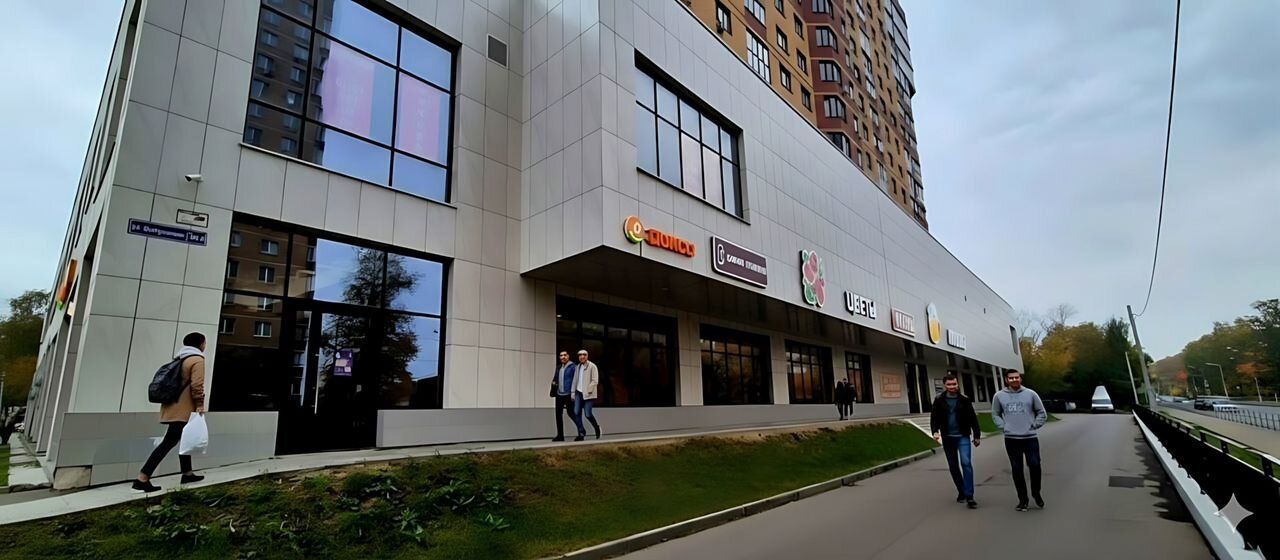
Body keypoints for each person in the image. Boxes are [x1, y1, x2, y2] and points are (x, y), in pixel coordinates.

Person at [133, 332, 207, 492]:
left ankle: (187, 473)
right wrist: (200, 405)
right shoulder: (197, 360)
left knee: (184, 439)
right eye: (204, 342)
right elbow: (197, 385)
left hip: (172, 406)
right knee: (169, 441)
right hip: (183, 408)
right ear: (201, 344)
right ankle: (142, 478)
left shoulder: (181, 359)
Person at [991, 369, 1048, 512]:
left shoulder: (1030, 394)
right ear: (1006, 380)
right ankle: (1023, 500)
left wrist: (1035, 424)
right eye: (1011, 378)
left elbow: (1042, 412)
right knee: (1017, 469)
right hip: (1012, 439)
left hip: (1030, 437)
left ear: (1020, 379)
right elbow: (995, 413)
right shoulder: (999, 396)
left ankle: (1036, 492)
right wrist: (1004, 426)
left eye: (1017, 377)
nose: (1014, 380)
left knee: (1035, 465)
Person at [930, 373, 981, 509]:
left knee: (966, 463)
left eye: (954, 384)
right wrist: (935, 431)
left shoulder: (964, 399)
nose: (952, 387)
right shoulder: (939, 400)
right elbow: (934, 417)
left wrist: (976, 435)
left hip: (962, 435)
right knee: (953, 465)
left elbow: (972, 418)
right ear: (945, 385)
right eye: (949, 384)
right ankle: (961, 491)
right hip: (948, 437)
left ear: (957, 384)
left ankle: (970, 496)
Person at [550, 351, 583, 441]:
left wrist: (575, 393)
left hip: (570, 394)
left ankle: (581, 432)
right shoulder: (558, 367)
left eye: (565, 355)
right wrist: (553, 389)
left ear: (568, 356)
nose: (563, 357)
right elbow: (555, 379)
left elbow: (577, 380)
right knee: (558, 415)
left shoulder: (573, 367)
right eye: (561, 355)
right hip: (559, 394)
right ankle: (560, 436)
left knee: (572, 413)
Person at [573, 349, 601, 441]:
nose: (582, 356)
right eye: (580, 355)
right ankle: (581, 433)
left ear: (587, 356)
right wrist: (573, 392)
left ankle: (596, 427)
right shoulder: (577, 367)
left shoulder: (592, 366)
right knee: (576, 412)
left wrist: (588, 390)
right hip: (578, 393)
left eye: (584, 355)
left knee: (588, 414)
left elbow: (595, 380)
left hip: (588, 394)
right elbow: (575, 380)